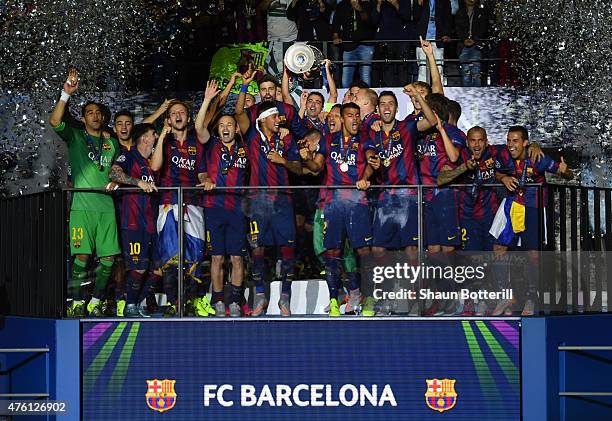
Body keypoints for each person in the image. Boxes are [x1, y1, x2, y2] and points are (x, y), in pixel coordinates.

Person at [49, 69, 121, 317]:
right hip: (82, 206)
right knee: (82, 255)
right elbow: (55, 121)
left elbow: (117, 169)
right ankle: (77, 301)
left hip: (106, 207)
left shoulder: (112, 142)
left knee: (109, 259)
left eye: (98, 113)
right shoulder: (76, 136)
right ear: (83, 117)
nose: (95, 116)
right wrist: (65, 94)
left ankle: (96, 301)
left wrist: (118, 181)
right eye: (90, 112)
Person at [301, 102, 378, 316]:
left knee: (363, 252)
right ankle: (334, 300)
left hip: (357, 203)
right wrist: (307, 160)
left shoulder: (364, 140)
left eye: (357, 115)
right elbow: (317, 166)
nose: (355, 119)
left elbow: (373, 159)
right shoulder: (328, 141)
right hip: (333, 205)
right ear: (342, 119)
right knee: (332, 253)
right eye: (350, 115)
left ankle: (369, 299)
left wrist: (365, 177)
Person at [491, 125, 573, 316]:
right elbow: (495, 171)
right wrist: (503, 177)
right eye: (509, 140)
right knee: (498, 249)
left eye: (515, 141)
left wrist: (565, 171)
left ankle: (531, 297)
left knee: (533, 255)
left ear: (525, 143)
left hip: (533, 207)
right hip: (511, 205)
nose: (511, 145)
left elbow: (567, 175)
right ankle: (506, 295)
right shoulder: (503, 155)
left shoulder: (537, 157)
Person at [368, 88, 436, 314]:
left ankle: (416, 298)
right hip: (386, 196)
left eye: (391, 104)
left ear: (396, 108)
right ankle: (386, 296)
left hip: (408, 194)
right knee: (378, 249)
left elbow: (432, 120)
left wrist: (417, 97)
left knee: (411, 251)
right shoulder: (372, 133)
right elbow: (368, 160)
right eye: (383, 104)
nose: (387, 107)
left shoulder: (406, 127)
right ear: (377, 109)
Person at [149, 85, 214, 316]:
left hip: (194, 203)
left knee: (194, 255)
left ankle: (190, 302)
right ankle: (173, 303)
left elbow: (202, 173)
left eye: (182, 113)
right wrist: (162, 137)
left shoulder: (197, 143)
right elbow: (155, 166)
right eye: (174, 113)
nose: (178, 116)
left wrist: (206, 180)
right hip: (168, 203)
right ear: (168, 118)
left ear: (188, 117)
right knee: (170, 257)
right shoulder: (163, 142)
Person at [239, 100, 304, 316]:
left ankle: (285, 297)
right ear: (263, 119)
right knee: (257, 248)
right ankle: (260, 296)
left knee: (287, 249)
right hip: (258, 201)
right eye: (275, 116)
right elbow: (239, 112)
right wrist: (244, 87)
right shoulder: (252, 138)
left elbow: (299, 169)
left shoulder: (286, 140)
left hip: (283, 200)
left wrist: (283, 161)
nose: (279, 120)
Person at [108, 123, 162, 317]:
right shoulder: (129, 156)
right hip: (132, 222)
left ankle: (138, 303)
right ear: (145, 138)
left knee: (158, 269)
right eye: (153, 133)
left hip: (152, 223)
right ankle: (129, 304)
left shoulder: (153, 161)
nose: (156, 136)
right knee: (138, 267)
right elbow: (113, 173)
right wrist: (138, 182)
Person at [198, 115, 250, 317]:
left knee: (237, 258)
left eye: (229, 124)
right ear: (217, 129)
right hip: (215, 207)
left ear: (236, 128)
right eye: (221, 125)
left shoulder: (246, 148)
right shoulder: (211, 145)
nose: (225, 128)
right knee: (217, 257)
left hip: (238, 209)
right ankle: (218, 299)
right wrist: (208, 178)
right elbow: (201, 173)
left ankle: (236, 300)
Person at [236, 72, 306, 138]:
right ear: (259, 92)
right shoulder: (252, 111)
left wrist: (286, 133)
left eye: (271, 89)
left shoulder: (288, 110)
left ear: (276, 90)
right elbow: (239, 113)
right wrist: (244, 85)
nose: (267, 93)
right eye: (263, 89)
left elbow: (300, 134)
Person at [370, 0, 414, 87]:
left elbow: (407, 16)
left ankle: (403, 88)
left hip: (402, 38)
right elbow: (373, 21)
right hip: (385, 38)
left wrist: (395, 3)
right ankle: (388, 89)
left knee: (403, 66)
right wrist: (378, 4)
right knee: (387, 67)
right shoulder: (379, 2)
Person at [332, 0, 376, 87]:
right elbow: (336, 24)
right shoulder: (342, 5)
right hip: (348, 46)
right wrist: (336, 37)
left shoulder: (367, 3)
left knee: (365, 77)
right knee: (346, 79)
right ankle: (347, 99)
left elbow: (371, 22)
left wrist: (359, 9)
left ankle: (366, 98)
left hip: (366, 45)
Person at [413, 0, 452, 83]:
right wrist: (419, 5)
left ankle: (439, 94)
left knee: (439, 68)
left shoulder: (445, 1)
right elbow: (415, 18)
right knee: (422, 68)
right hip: (422, 39)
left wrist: (446, 33)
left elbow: (448, 18)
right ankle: (422, 94)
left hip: (438, 39)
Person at [454, 0, 488, 87]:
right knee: (465, 71)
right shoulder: (460, 12)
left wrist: (474, 39)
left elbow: (483, 28)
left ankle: (477, 96)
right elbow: (457, 28)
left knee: (476, 71)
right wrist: (464, 39)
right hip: (463, 45)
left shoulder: (481, 12)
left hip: (477, 45)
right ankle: (467, 95)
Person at [258, 0, 298, 74]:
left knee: (292, 63)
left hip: (290, 36)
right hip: (273, 37)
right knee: (273, 66)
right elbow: (261, 8)